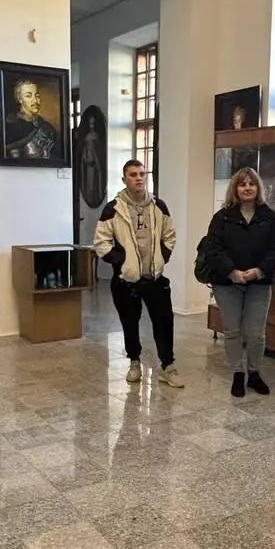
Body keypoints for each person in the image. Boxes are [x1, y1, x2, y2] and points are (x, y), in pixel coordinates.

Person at [94, 159, 183, 388]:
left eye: (142, 174)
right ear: (124, 179)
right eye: (133, 175)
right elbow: (101, 243)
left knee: (164, 322)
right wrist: (121, 262)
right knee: (129, 323)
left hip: (154, 278)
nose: (139, 178)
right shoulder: (112, 209)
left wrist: (162, 258)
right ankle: (134, 362)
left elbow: (169, 236)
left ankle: (168, 367)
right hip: (126, 280)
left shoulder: (159, 206)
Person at [202, 167, 275, 397]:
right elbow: (213, 249)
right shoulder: (222, 218)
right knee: (233, 331)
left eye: (252, 184)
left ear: (258, 188)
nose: (247, 188)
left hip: (259, 282)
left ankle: (255, 373)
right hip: (227, 283)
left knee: (256, 333)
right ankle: (238, 374)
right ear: (235, 189)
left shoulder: (270, 217)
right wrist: (231, 272)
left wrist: (259, 271)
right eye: (242, 184)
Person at [2, 79, 60, 160]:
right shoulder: (10, 127)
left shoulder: (47, 127)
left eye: (37, 96)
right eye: (28, 96)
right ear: (19, 99)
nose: (35, 101)